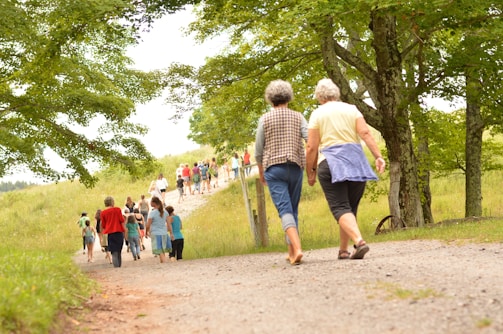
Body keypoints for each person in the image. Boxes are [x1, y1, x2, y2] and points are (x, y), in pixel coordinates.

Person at [305, 78, 386, 260]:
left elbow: (311, 146)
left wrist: (310, 170)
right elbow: (365, 133)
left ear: (319, 96)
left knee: (340, 207)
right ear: (337, 94)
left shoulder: (317, 114)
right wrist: (378, 156)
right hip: (356, 161)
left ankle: (359, 242)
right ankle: (343, 250)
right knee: (349, 208)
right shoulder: (352, 109)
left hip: (330, 162)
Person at [255, 79, 307, 265]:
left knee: (284, 210)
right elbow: (309, 138)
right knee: (293, 209)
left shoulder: (264, 119)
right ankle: (292, 252)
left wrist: (261, 172)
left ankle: (298, 249)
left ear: (270, 99)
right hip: (295, 166)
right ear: (288, 97)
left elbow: (259, 150)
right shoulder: (298, 116)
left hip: (273, 168)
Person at [146, 196, 173, 263]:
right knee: (162, 250)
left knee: (159, 250)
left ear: (153, 203)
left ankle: (164, 262)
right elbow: (169, 224)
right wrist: (171, 233)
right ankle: (162, 262)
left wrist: (146, 232)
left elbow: (148, 224)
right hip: (164, 233)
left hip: (156, 233)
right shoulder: (165, 212)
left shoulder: (152, 213)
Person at [100, 196, 126, 268]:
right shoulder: (117, 210)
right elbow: (122, 220)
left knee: (113, 251)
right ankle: (119, 266)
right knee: (119, 250)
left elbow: (104, 225)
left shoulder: (103, 213)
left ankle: (116, 267)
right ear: (112, 202)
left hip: (110, 234)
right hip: (119, 232)